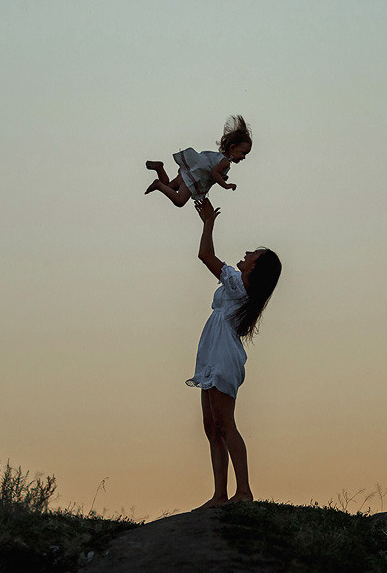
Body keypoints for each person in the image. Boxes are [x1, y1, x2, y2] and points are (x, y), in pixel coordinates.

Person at [185, 197, 282, 509]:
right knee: (212, 427)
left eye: (252, 253)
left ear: (254, 266)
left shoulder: (240, 284)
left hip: (222, 355)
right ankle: (219, 495)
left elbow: (205, 255)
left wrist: (208, 223)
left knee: (225, 423)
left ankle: (243, 492)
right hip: (215, 353)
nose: (246, 253)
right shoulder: (239, 286)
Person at [145, 115, 252, 207]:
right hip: (193, 179)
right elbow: (214, 173)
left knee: (168, 188)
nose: (244, 157)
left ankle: (160, 168)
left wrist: (221, 176)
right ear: (232, 148)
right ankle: (158, 184)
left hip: (188, 174)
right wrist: (225, 185)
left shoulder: (219, 157)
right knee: (179, 201)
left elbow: (212, 170)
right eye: (243, 153)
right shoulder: (225, 162)